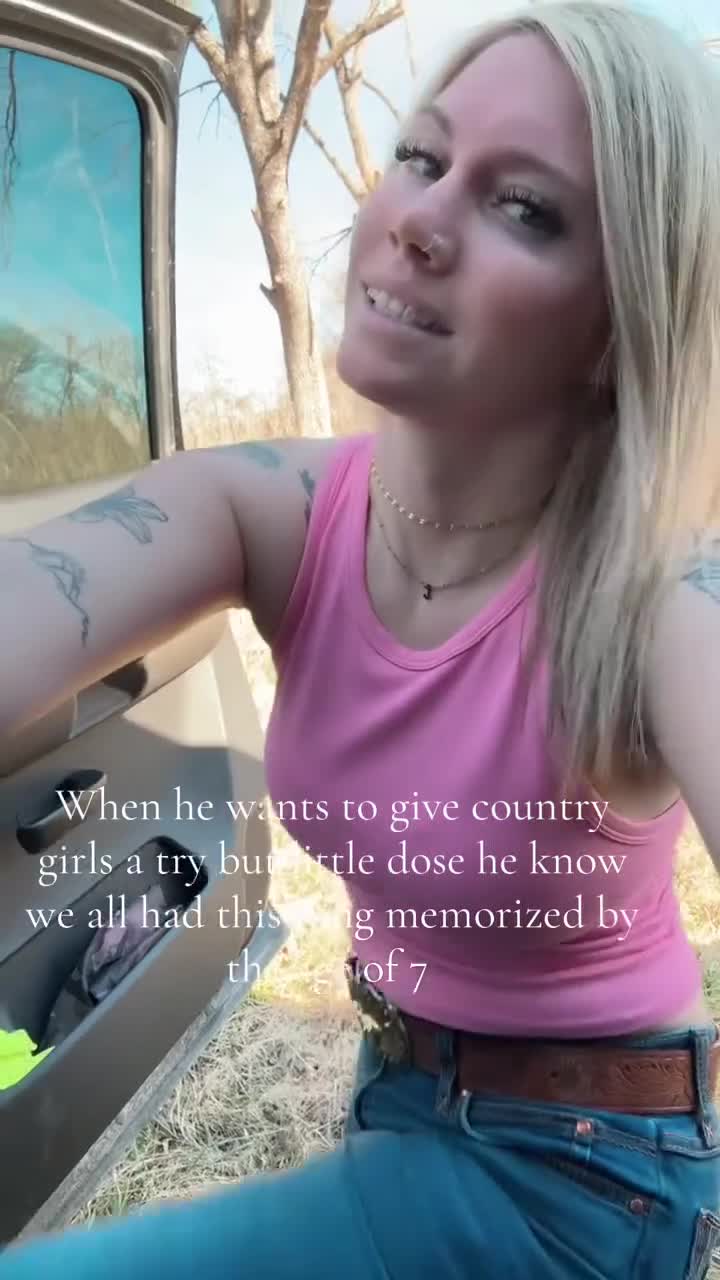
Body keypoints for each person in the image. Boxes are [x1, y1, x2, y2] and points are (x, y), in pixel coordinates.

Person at [2, 1, 720, 1274]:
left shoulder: (658, 588)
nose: (419, 219)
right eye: (423, 157)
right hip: (399, 1087)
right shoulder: (272, 506)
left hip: (586, 1171)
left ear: (620, 326)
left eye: (525, 207)